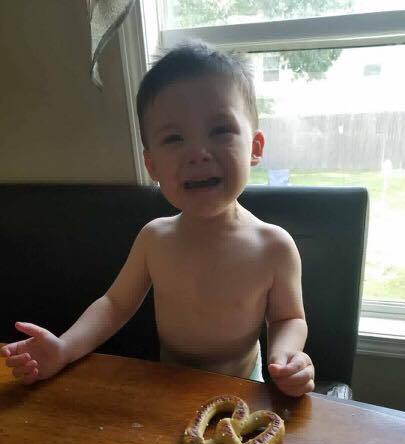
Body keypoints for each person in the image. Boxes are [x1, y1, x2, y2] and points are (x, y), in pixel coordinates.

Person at [1, 41, 314, 396]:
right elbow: (114, 305)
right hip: (167, 387)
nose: (198, 153)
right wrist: (65, 348)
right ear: (152, 166)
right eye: (174, 138)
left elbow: (289, 318)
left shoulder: (274, 246)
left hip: (242, 388)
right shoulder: (155, 239)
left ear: (254, 147)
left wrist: (287, 356)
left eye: (220, 131)